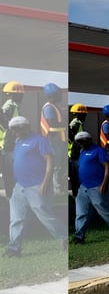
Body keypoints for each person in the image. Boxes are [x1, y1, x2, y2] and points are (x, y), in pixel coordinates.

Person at [4, 116, 67, 257]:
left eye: (17, 129)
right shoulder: (18, 141)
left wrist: (45, 181)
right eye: (13, 130)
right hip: (19, 187)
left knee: (45, 216)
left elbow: (50, 160)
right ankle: (14, 248)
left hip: (36, 186)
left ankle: (65, 237)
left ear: (25, 127)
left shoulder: (39, 140)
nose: (15, 132)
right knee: (16, 218)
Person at [71, 131, 109, 244]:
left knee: (103, 210)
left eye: (82, 142)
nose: (80, 144)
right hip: (83, 187)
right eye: (78, 143)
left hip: (97, 186)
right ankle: (79, 236)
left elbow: (107, 166)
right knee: (81, 213)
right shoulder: (82, 151)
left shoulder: (99, 150)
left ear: (88, 140)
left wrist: (104, 183)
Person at [40, 83, 68, 194]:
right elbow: (52, 123)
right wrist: (64, 121)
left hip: (57, 140)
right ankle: (56, 188)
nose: (61, 95)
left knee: (59, 164)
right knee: (55, 164)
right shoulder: (49, 108)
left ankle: (57, 187)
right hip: (53, 140)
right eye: (59, 93)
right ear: (53, 95)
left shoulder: (54, 107)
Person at [1, 81, 25, 198]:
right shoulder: (8, 106)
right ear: (11, 94)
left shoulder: (14, 106)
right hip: (7, 145)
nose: (21, 96)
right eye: (19, 94)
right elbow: (6, 126)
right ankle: (11, 195)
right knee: (9, 173)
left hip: (12, 144)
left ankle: (14, 195)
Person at [68, 103, 88, 197]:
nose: (85, 116)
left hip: (77, 152)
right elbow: (71, 137)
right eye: (84, 114)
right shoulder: (75, 124)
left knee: (78, 174)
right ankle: (76, 194)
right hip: (74, 153)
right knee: (75, 175)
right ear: (78, 114)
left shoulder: (78, 123)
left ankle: (78, 193)